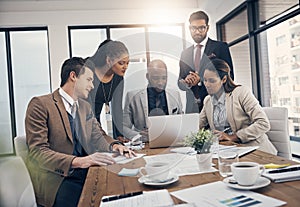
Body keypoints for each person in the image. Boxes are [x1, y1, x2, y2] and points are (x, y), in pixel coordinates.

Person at [25, 57, 135, 207]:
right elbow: (38, 152)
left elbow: (98, 135)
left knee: (123, 189)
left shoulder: (84, 107)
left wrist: (115, 146)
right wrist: (81, 161)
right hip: (59, 180)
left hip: (87, 172)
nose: (92, 85)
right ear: (73, 76)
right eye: (89, 79)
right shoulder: (41, 105)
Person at [199, 58, 277, 155]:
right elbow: (198, 126)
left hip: (255, 150)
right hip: (227, 151)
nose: (206, 84)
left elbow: (263, 123)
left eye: (212, 81)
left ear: (224, 79)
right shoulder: (208, 101)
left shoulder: (241, 93)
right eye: (205, 80)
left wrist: (233, 137)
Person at [178, 10, 234, 113]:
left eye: (201, 28)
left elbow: (230, 77)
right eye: (194, 28)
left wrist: (202, 80)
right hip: (192, 108)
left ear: (207, 28)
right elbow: (180, 82)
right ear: (190, 28)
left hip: (215, 105)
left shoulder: (220, 47)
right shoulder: (184, 54)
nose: (197, 31)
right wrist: (187, 82)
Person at [123, 59, 183, 142]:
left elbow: (182, 124)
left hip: (170, 142)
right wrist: (139, 136)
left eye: (164, 78)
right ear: (147, 76)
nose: (160, 82)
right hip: (145, 144)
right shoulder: (132, 97)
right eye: (156, 78)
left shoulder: (175, 95)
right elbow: (124, 127)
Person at [88, 40, 129, 139]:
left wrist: (119, 136)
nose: (125, 67)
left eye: (127, 63)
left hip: (95, 122)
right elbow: (89, 115)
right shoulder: (89, 74)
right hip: (85, 122)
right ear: (109, 60)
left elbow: (117, 109)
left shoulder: (118, 78)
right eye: (121, 63)